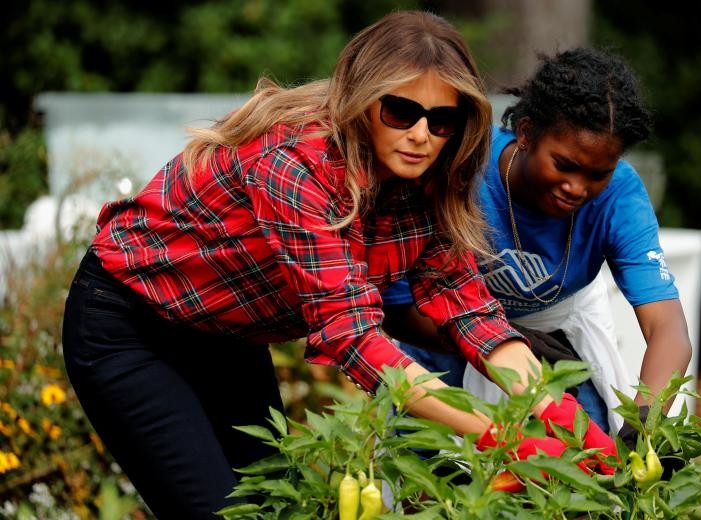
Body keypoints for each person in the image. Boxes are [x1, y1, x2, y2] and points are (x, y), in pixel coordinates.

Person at [61, 12, 616, 518]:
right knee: (216, 512)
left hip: (226, 336)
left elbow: (466, 304)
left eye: (442, 119)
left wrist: (555, 408)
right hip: (130, 324)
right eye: (402, 111)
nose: (421, 134)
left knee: (274, 503)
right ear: (363, 100)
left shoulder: (428, 179)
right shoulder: (297, 163)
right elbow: (353, 337)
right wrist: (497, 434)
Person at [382, 47, 693, 434]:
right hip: (441, 339)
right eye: (564, 165)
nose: (577, 188)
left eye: (598, 174)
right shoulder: (463, 165)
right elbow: (395, 307)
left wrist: (648, 420)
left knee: (578, 467)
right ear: (527, 133)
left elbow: (668, 328)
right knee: (431, 476)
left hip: (555, 345)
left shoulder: (620, 198)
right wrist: (503, 341)